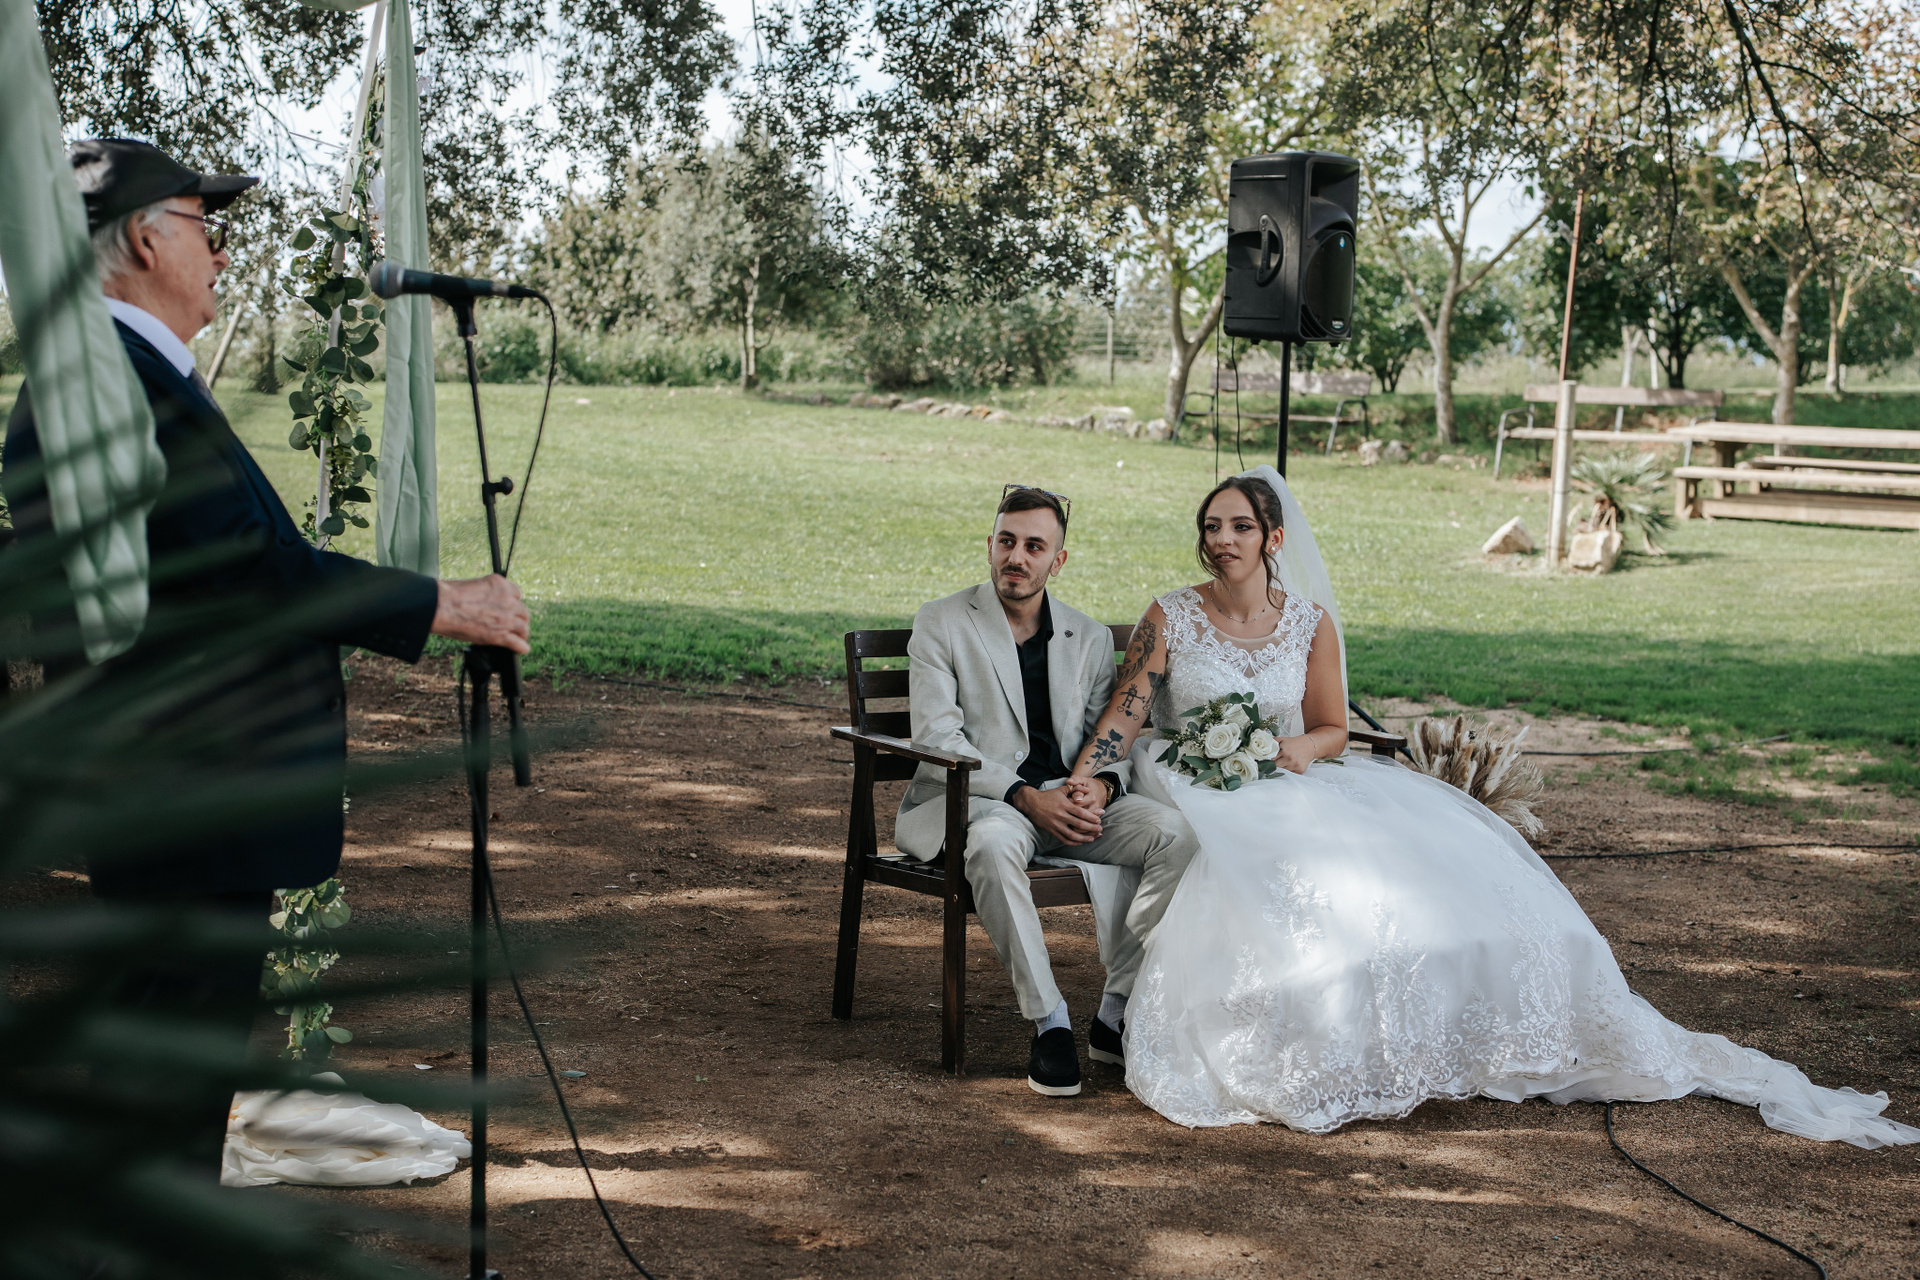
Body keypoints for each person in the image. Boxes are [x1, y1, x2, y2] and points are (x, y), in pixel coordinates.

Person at [1065, 466, 1920, 1148]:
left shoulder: (1308, 623)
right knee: (1271, 870)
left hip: (1289, 775)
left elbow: (1330, 726)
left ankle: (1430, 1027)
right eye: (1212, 527)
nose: (1222, 540)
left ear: (1273, 538)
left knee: (1401, 874)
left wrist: (1299, 750)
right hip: (1198, 780)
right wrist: (1090, 776)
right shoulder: (1171, 615)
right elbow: (1128, 711)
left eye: (1239, 526)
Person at [1, 138, 530, 1176]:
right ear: (144, 238)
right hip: (180, 792)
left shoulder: (126, 374)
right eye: (205, 227)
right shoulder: (112, 385)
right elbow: (246, 570)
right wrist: (441, 603)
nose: (222, 254)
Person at [901, 484, 1200, 1097]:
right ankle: (1050, 1021)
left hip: (1067, 805)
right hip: (985, 804)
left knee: (1178, 835)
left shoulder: (1087, 637)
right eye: (1006, 542)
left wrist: (1102, 787)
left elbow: (1107, 738)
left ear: (1057, 560)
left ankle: (1115, 1009)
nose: (1017, 557)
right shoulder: (942, 621)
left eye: (1034, 546)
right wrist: (1022, 795)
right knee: (990, 848)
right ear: (990, 545)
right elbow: (937, 738)